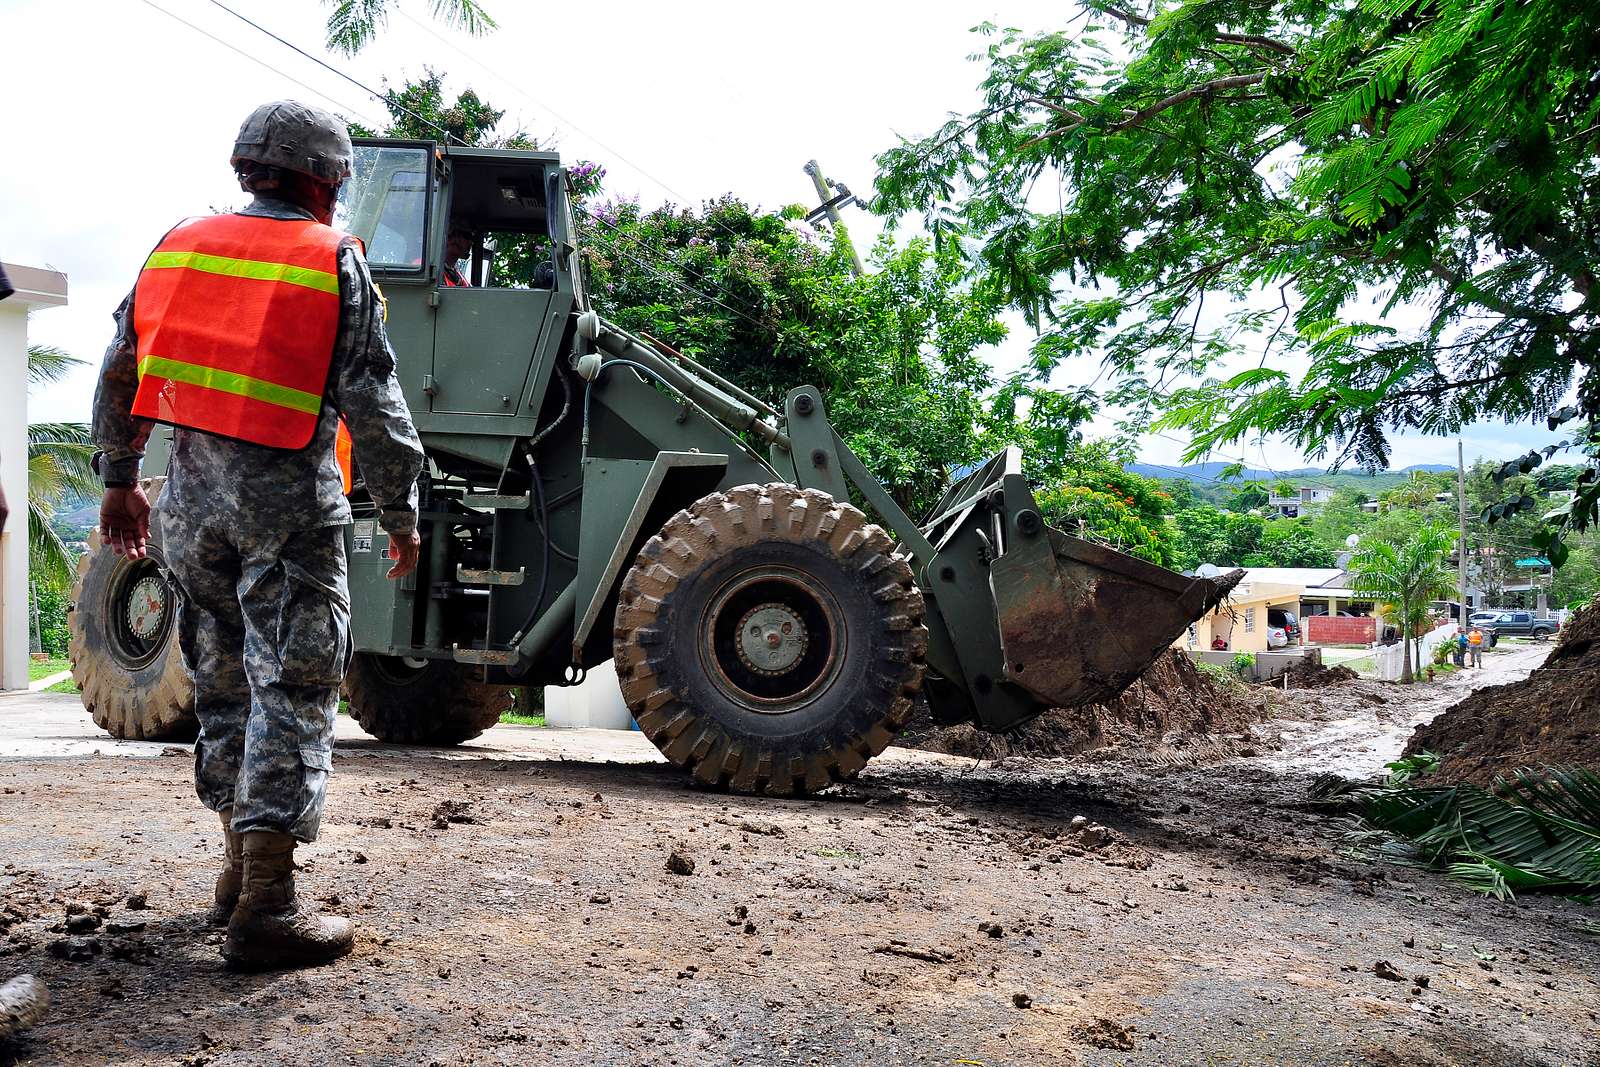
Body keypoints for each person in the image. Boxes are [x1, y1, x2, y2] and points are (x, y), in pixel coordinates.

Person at [92, 100, 426, 970]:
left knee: (222, 681)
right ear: (324, 178)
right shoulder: (331, 260)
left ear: (248, 167)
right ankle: (270, 905)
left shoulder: (178, 245)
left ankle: (237, 872)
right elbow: (375, 402)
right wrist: (400, 509)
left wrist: (120, 481)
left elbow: (122, 366)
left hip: (190, 507)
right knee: (295, 685)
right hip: (288, 511)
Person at [442, 221, 472, 287]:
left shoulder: (457, 275)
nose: (470, 242)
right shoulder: (426, 269)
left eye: (466, 236)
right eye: (466, 236)